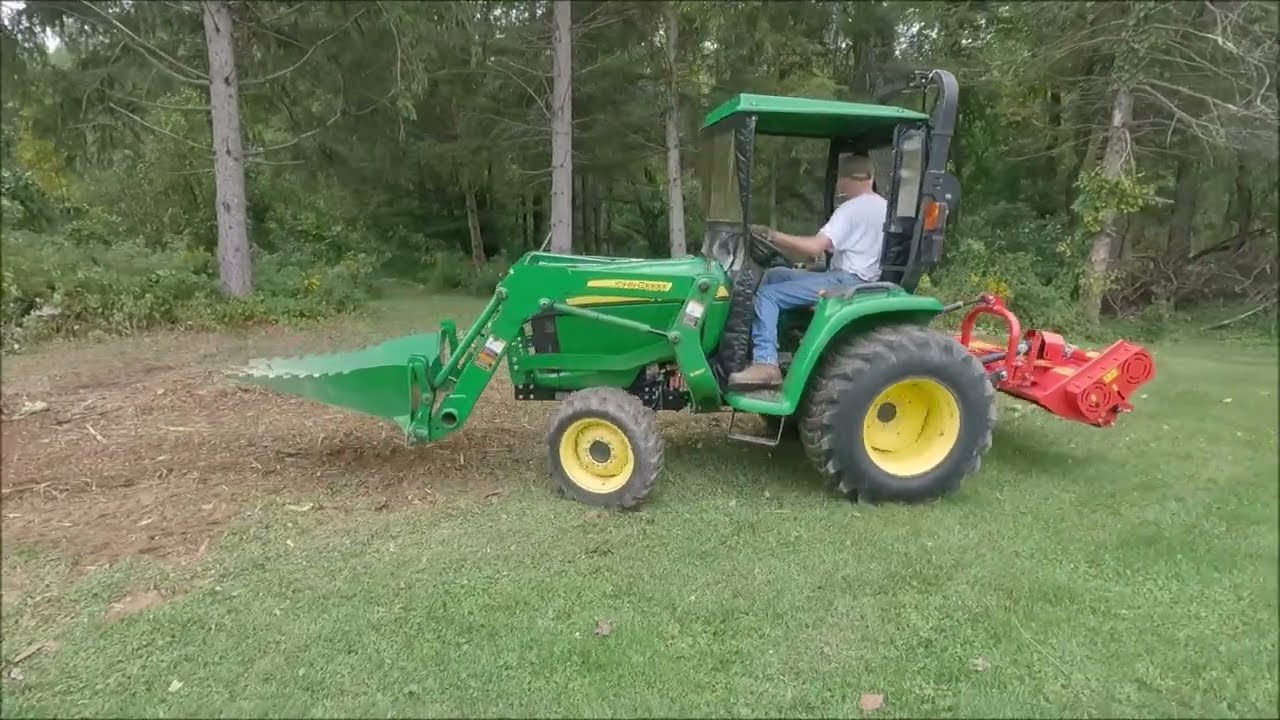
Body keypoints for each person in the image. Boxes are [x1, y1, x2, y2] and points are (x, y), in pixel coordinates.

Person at [727, 154, 887, 389]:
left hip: (847, 281)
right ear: (871, 177)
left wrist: (771, 235)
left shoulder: (851, 209)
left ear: (842, 180)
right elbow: (823, 252)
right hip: (858, 276)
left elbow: (814, 247)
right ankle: (776, 344)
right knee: (775, 274)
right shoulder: (883, 206)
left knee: (768, 295)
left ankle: (766, 363)